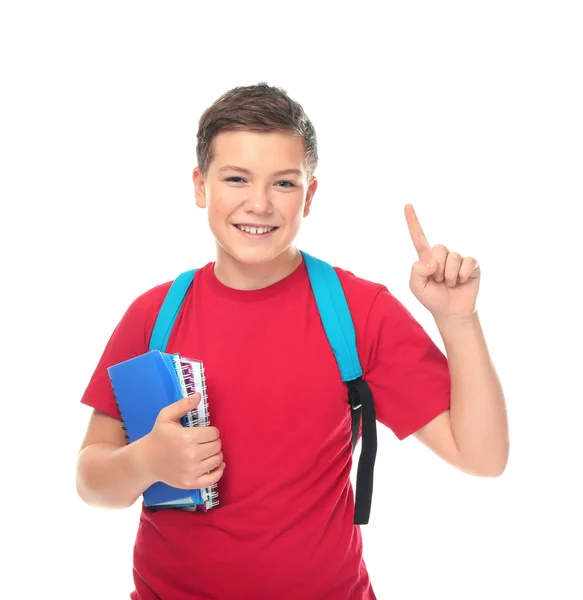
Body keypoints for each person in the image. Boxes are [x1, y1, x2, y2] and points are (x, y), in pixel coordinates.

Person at [76, 82, 509, 600]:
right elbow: (91, 481)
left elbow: (483, 457)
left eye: (283, 183)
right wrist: (146, 462)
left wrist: (459, 321)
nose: (259, 204)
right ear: (200, 186)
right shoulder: (153, 316)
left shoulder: (358, 311)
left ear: (311, 194)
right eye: (236, 178)